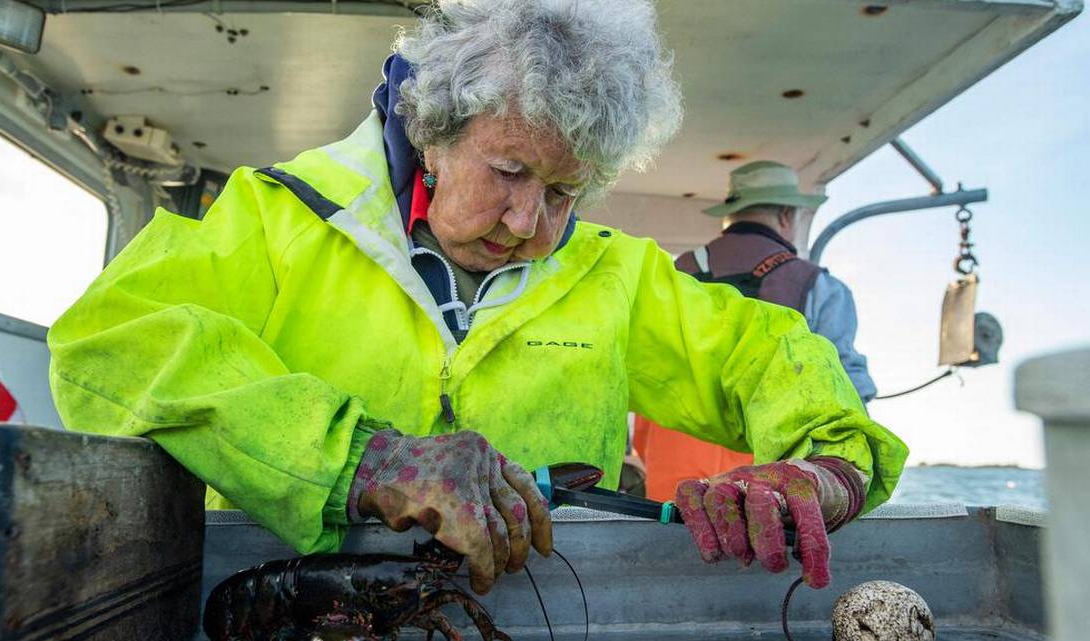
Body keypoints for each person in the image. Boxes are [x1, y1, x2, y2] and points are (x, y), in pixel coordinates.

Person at [47, 0, 906, 596]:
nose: (531, 220)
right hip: (294, 612)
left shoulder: (617, 274)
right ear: (431, 130)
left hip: (547, 612)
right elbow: (111, 340)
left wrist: (827, 467)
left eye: (566, 191)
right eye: (509, 170)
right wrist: (363, 460)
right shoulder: (277, 219)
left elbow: (770, 357)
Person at [634, 160, 878, 503]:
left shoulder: (674, 275)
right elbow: (847, 391)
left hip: (671, 473)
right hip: (765, 489)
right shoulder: (820, 288)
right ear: (785, 216)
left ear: (730, 213)